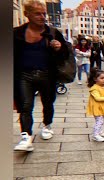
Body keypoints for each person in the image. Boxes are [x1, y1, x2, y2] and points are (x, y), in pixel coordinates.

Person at [13, 0, 68, 151]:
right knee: (25, 106)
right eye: (38, 13)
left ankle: (47, 126)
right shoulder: (16, 33)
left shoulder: (52, 32)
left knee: (48, 102)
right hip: (24, 75)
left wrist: (59, 48)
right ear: (27, 14)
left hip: (47, 75)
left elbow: (65, 55)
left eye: (44, 13)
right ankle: (26, 136)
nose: (42, 17)